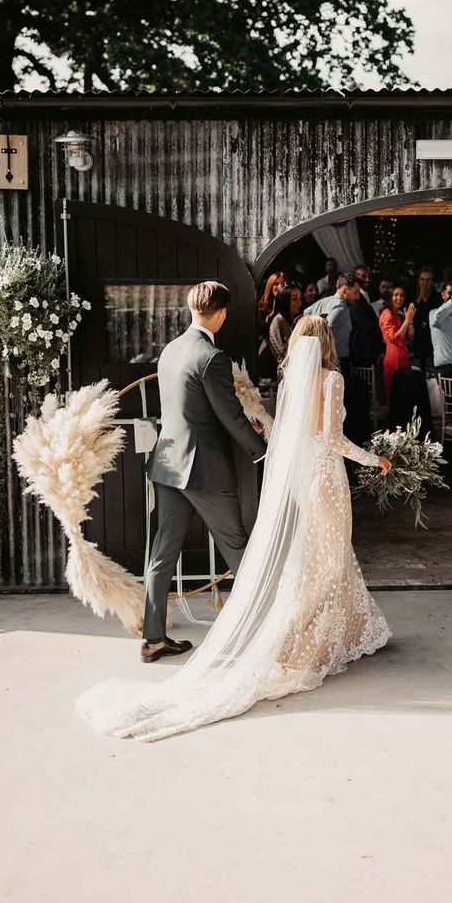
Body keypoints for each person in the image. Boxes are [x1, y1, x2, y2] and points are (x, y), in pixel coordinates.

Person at [77, 316, 392, 741]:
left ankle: (340, 627)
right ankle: (291, 637)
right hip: (324, 478)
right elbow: (332, 439)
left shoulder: (287, 380)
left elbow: (287, 433)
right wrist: (377, 460)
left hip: (285, 476)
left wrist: (267, 445)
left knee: (316, 556)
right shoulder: (331, 379)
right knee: (325, 556)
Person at [133, 281, 268, 663]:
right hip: (204, 471)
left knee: (163, 553)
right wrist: (263, 452)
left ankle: (153, 639)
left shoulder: (170, 351)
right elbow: (231, 417)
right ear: (221, 313)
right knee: (238, 548)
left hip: (168, 463)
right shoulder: (212, 358)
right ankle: (257, 634)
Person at [305, 272, 362, 370]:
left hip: (318, 360)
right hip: (335, 362)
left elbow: (305, 314)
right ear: (345, 290)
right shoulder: (341, 307)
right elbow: (328, 329)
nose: (357, 297)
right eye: (355, 292)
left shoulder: (321, 302)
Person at [379, 285, 415, 398]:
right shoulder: (387, 314)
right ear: (390, 297)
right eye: (396, 295)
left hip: (403, 357)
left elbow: (410, 337)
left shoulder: (398, 315)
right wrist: (407, 320)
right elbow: (393, 338)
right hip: (393, 359)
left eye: (402, 295)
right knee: (395, 396)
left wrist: (410, 321)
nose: (399, 298)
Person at [350, 263, 384, 367]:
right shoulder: (355, 298)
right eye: (364, 276)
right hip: (362, 353)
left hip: (369, 352)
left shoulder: (365, 295)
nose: (368, 280)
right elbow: (363, 326)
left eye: (369, 277)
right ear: (355, 277)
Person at [257, 271, 287, 379]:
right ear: (271, 285)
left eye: (282, 283)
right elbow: (259, 329)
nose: (279, 286)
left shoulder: (287, 305)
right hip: (266, 351)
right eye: (276, 283)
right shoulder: (262, 306)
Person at [411, 267, 442, 369]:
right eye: (422, 280)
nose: (425, 283)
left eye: (428, 280)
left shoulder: (438, 300)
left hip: (432, 348)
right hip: (417, 347)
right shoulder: (413, 300)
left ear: (432, 282)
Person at [268, 284, 304, 365]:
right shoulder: (279, 320)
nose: (299, 302)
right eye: (294, 299)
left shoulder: (297, 319)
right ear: (285, 301)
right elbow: (285, 353)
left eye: (300, 298)